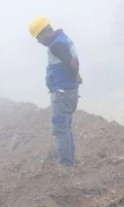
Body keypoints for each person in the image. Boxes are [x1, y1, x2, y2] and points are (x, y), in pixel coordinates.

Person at [29, 16, 82, 172]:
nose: (39, 42)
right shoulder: (62, 39)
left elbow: (71, 63)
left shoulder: (57, 45)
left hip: (62, 94)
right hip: (68, 92)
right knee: (65, 128)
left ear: (44, 33)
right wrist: (76, 77)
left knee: (60, 129)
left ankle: (65, 168)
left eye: (38, 38)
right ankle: (69, 164)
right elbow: (73, 62)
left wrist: (74, 76)